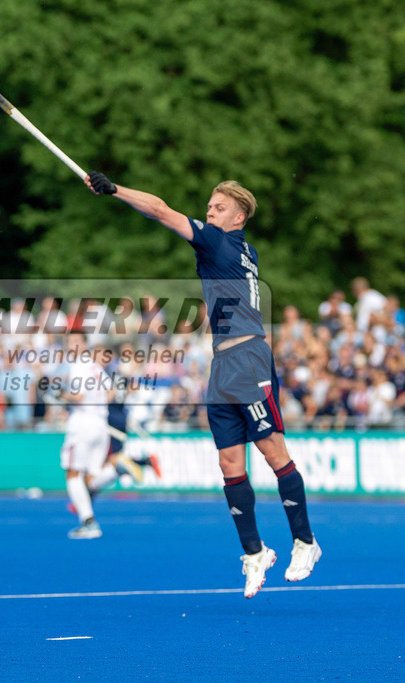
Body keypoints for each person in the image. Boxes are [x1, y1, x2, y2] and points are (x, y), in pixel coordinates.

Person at [85, 171, 320, 598]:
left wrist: (115, 189)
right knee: (230, 465)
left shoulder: (220, 241)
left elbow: (159, 210)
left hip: (248, 359)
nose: (209, 211)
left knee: (272, 452)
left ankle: (305, 541)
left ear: (239, 216)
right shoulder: (238, 248)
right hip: (224, 363)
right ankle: (255, 552)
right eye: (209, 205)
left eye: (219, 207)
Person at [56, 331, 121, 539]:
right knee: (91, 479)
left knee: (73, 473)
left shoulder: (78, 365)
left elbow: (78, 396)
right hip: (100, 425)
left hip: (82, 424)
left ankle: (88, 522)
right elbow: (111, 392)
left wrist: (58, 394)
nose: (72, 345)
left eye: (76, 341)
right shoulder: (96, 367)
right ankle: (116, 469)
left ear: (85, 344)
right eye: (69, 342)